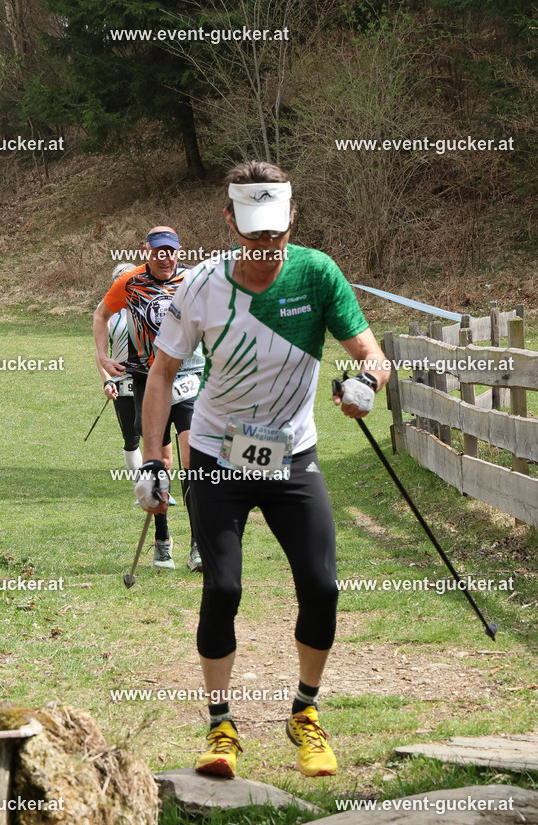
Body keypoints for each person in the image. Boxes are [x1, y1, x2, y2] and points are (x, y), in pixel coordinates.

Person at [134, 161, 391, 779]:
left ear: (292, 218)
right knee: (222, 587)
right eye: (253, 235)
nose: (266, 247)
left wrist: (367, 385)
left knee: (322, 587)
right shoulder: (200, 286)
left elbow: (373, 355)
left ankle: (304, 713)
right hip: (218, 455)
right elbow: (162, 375)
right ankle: (221, 725)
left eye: (275, 233)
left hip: (292, 455)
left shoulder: (316, 272)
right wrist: (151, 462)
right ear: (229, 221)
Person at [93, 227, 205, 571]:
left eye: (171, 251)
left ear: (179, 250)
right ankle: (162, 539)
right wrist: (102, 357)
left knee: (192, 458)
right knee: (159, 463)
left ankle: (199, 545)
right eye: (159, 251)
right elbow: (101, 315)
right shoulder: (129, 282)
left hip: (189, 374)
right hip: (147, 378)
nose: (165, 257)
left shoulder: (194, 279)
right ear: (147, 251)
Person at [93, 262, 143, 477]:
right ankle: (140, 485)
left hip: (148, 377)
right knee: (131, 437)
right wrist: (107, 381)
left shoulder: (147, 305)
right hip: (121, 381)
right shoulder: (107, 311)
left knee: (155, 435)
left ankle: (158, 486)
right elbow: (99, 352)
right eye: (119, 280)